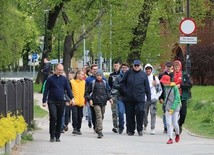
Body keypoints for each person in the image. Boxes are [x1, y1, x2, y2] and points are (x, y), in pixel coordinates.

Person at [42, 64, 73, 142]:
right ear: (55, 69)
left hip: (61, 101)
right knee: (53, 117)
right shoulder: (50, 78)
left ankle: (57, 135)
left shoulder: (64, 79)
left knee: (59, 118)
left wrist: (72, 98)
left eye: (61, 70)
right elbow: (46, 90)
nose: (60, 71)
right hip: (52, 101)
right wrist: (44, 101)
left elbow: (68, 89)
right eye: (59, 70)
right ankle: (52, 135)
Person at [120, 60, 151, 136]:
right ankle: (131, 130)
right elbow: (122, 83)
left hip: (140, 98)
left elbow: (147, 87)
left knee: (140, 112)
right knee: (130, 114)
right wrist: (126, 91)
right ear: (133, 66)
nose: (136, 67)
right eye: (135, 65)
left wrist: (149, 98)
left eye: (138, 65)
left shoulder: (143, 75)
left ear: (140, 66)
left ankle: (140, 129)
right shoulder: (128, 73)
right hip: (129, 98)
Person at [85, 70, 112, 138]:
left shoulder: (105, 83)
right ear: (96, 76)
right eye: (97, 75)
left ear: (102, 76)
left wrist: (110, 98)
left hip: (103, 102)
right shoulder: (93, 83)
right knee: (99, 116)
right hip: (96, 102)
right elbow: (87, 92)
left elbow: (108, 91)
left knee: (102, 116)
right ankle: (100, 131)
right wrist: (90, 99)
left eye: (100, 75)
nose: (99, 77)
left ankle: (97, 128)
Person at [160, 75, 181, 144]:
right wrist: (164, 105)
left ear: (168, 81)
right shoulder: (165, 87)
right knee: (168, 123)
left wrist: (173, 108)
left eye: (164, 82)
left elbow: (177, 99)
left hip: (175, 107)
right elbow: (166, 97)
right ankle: (170, 138)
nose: (163, 83)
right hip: (168, 107)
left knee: (175, 123)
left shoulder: (174, 87)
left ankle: (177, 134)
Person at [173, 60, 192, 134]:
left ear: (180, 66)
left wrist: (180, 85)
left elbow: (189, 84)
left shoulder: (185, 75)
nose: (176, 68)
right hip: (173, 97)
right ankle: (175, 125)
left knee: (183, 113)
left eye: (178, 66)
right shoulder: (171, 75)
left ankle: (179, 124)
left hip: (182, 97)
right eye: (175, 66)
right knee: (174, 113)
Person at [143, 64, 162, 135]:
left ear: (151, 70)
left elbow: (160, 89)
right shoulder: (143, 77)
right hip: (145, 99)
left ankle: (152, 128)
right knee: (144, 114)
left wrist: (156, 97)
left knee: (153, 113)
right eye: (147, 69)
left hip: (153, 98)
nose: (148, 70)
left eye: (149, 69)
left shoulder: (155, 78)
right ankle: (145, 125)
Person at [113, 62, 129, 134]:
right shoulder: (118, 77)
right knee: (120, 112)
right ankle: (121, 126)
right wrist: (122, 86)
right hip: (120, 97)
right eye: (123, 68)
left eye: (126, 68)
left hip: (129, 98)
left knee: (129, 113)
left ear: (128, 68)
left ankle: (129, 126)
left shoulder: (131, 76)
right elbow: (114, 85)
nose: (124, 69)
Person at [158, 62, 174, 133]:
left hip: (172, 95)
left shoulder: (174, 74)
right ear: (165, 67)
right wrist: (160, 97)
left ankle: (172, 125)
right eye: (167, 66)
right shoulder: (161, 75)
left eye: (170, 66)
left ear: (172, 67)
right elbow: (159, 87)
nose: (168, 68)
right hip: (164, 96)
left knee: (172, 111)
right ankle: (166, 127)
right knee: (165, 111)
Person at [70, 70, 86, 135]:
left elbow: (86, 91)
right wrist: (70, 100)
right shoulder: (71, 82)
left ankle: (79, 128)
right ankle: (75, 128)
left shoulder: (84, 82)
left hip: (81, 102)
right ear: (77, 75)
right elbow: (68, 91)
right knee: (74, 115)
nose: (83, 76)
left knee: (80, 116)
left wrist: (85, 99)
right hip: (74, 102)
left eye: (83, 74)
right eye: (82, 74)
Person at [85, 64, 99, 131]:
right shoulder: (88, 79)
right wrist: (88, 98)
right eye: (94, 69)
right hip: (92, 99)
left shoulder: (102, 78)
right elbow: (86, 90)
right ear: (91, 70)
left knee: (100, 114)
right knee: (93, 113)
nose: (95, 71)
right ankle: (95, 126)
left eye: (96, 69)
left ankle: (98, 125)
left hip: (100, 99)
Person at [108, 61, 120, 133]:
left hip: (121, 95)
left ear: (119, 66)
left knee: (120, 111)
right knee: (114, 111)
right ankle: (115, 126)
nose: (116, 67)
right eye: (114, 66)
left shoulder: (122, 74)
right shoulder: (111, 75)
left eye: (117, 66)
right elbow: (109, 86)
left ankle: (121, 125)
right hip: (113, 95)